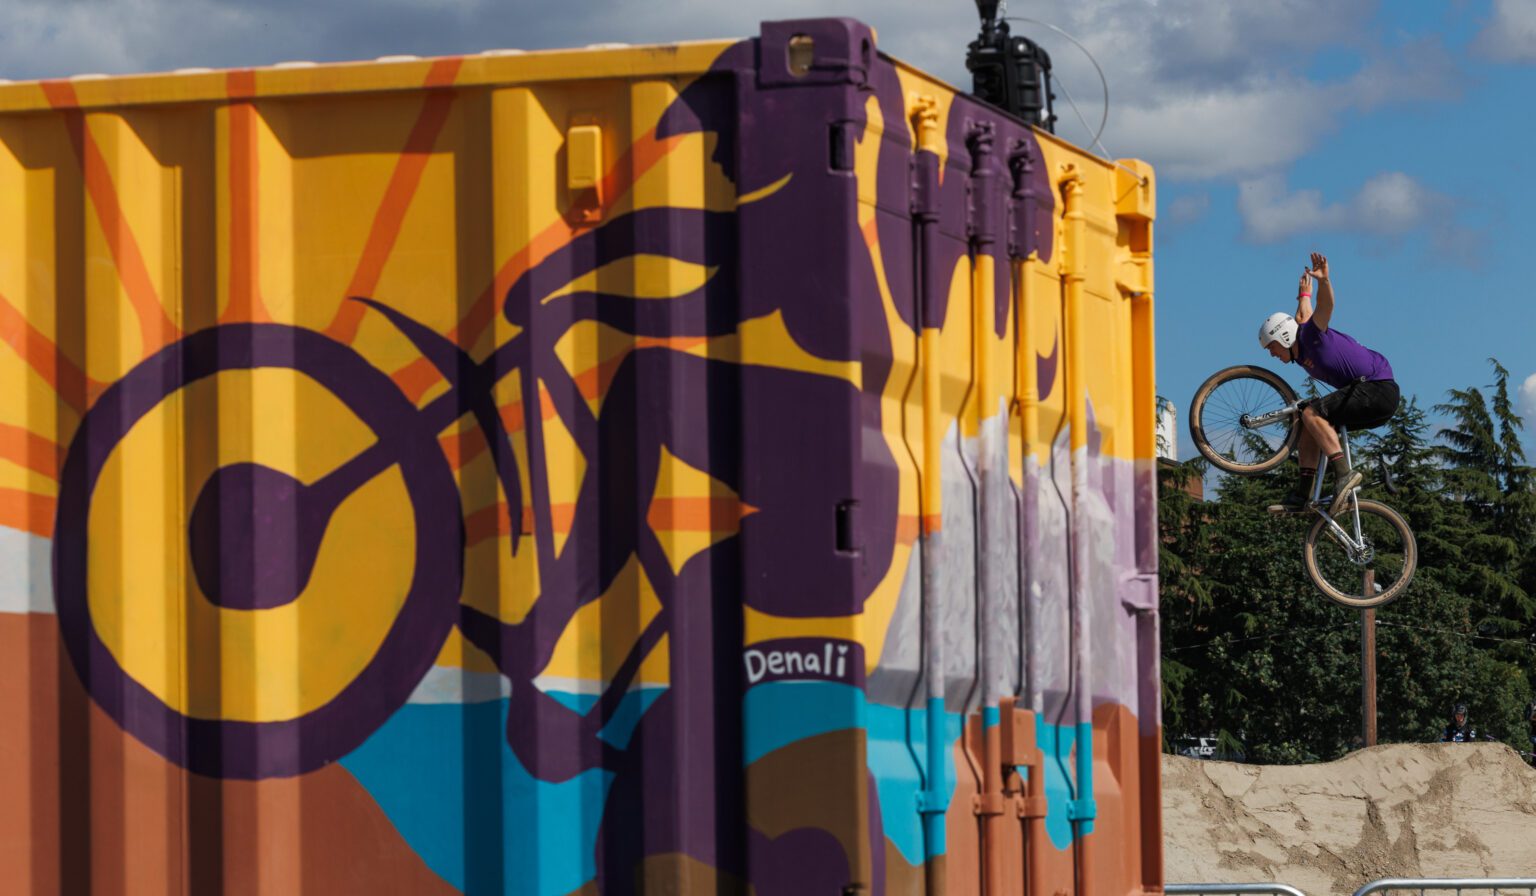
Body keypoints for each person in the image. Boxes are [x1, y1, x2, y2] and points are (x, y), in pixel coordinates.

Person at [1259, 253, 1400, 515]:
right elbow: (1302, 314)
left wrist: (1324, 281)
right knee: (1306, 421)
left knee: (1312, 412)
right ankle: (1303, 492)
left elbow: (1326, 308)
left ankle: (1344, 474)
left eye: (1273, 347)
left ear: (1285, 337)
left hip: (1378, 388)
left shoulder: (1311, 335)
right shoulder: (1299, 349)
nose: (1272, 354)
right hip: (1364, 393)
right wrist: (1303, 296)